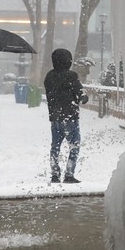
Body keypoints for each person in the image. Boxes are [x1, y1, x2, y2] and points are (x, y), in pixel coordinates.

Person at [43, 48, 87, 183]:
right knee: (74, 145)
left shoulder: (49, 77)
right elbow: (80, 93)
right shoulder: (71, 76)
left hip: (55, 118)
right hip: (70, 117)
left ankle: (55, 173)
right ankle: (69, 173)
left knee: (55, 145)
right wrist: (83, 97)